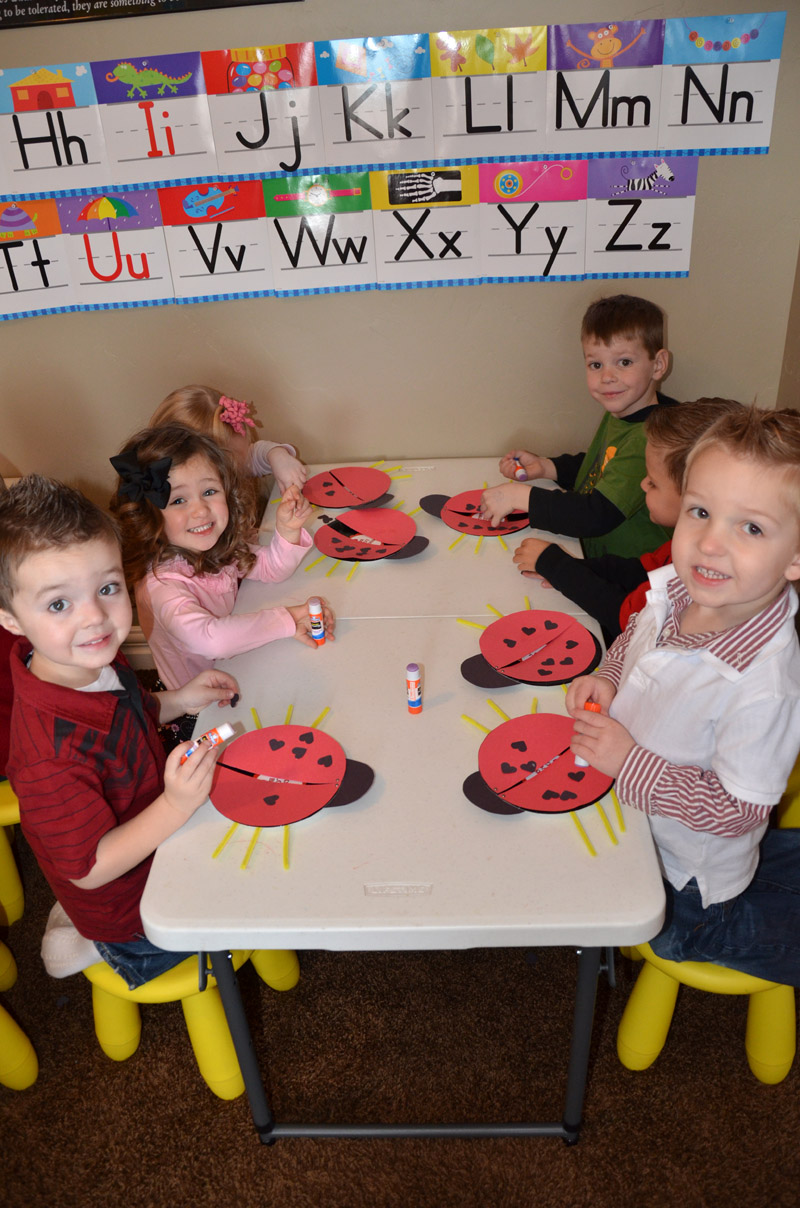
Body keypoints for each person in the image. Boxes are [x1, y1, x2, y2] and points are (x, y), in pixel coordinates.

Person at [567, 406, 800, 984]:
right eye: (700, 511)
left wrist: (628, 762)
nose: (709, 543)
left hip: (682, 883)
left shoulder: (763, 686)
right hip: (631, 819)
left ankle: (705, 934)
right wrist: (609, 675)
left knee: (677, 930)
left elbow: (738, 810)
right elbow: (634, 636)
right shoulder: (680, 588)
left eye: (751, 528)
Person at [0, 475, 240, 988]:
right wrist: (176, 805)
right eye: (59, 604)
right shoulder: (48, 757)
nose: (96, 618)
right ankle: (99, 945)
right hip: (133, 909)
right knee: (251, 893)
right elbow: (89, 868)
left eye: (107, 589)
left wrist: (179, 700)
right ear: (11, 620)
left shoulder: (89, 661)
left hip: (150, 820)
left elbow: (131, 707)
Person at [110, 425, 333, 738]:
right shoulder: (161, 584)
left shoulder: (214, 547)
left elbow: (271, 569)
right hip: (198, 709)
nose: (200, 510)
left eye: (209, 492)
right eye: (178, 500)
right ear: (149, 515)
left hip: (237, 667)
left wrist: (287, 531)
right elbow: (213, 640)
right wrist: (285, 618)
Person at [513, 398, 743, 643]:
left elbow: (628, 617)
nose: (643, 484)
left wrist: (558, 567)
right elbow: (642, 570)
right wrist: (575, 568)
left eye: (653, 482)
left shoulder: (699, 575)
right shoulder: (687, 542)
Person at [479, 294, 679, 559]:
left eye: (624, 362)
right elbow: (603, 467)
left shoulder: (651, 440)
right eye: (596, 364)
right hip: (597, 555)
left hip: (632, 570)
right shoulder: (624, 410)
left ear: (658, 365)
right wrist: (547, 467)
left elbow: (596, 514)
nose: (607, 377)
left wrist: (519, 497)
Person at [150, 383, 306, 494]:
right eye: (233, 465)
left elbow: (255, 455)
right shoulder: (173, 496)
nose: (241, 468)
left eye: (240, 462)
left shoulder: (234, 458)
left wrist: (278, 456)